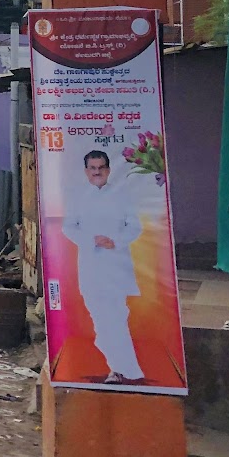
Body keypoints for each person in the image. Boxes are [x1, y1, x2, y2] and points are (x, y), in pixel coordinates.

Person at [61, 149, 144, 384]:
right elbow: (68, 227)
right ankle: (123, 367)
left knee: (116, 317)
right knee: (101, 319)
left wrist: (115, 241)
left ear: (108, 170)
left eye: (101, 168)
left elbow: (135, 227)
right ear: (87, 172)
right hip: (90, 266)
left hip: (116, 265)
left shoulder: (122, 196)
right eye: (93, 169)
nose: (97, 172)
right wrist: (91, 240)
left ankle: (119, 370)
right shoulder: (78, 197)